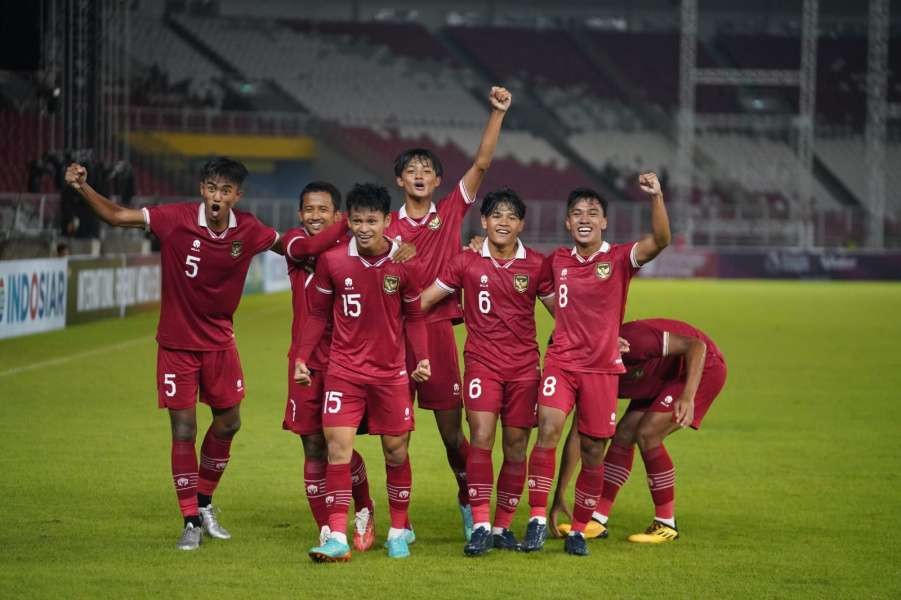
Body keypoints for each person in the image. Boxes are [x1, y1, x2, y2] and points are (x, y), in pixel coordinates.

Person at [64, 157, 283, 551]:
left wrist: (350, 235)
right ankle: (190, 521)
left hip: (220, 344)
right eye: (212, 188)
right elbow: (116, 216)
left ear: (237, 195)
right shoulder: (175, 218)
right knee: (183, 430)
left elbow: (294, 247)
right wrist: (81, 187)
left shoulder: (248, 229)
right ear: (203, 189)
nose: (218, 196)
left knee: (230, 423)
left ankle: (204, 503)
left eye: (226, 190)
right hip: (178, 346)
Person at [521, 173, 671, 556]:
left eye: (592, 212)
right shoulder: (556, 261)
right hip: (562, 363)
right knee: (549, 427)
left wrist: (656, 197)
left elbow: (661, 240)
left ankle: (579, 530)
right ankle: (537, 519)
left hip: (602, 371)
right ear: (567, 223)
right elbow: (523, 276)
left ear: (604, 222)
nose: (584, 218)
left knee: (592, 451)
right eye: (576, 213)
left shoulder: (619, 258)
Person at [386, 86, 511, 540]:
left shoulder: (451, 212)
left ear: (437, 181)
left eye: (427, 171)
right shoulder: (385, 227)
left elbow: (480, 164)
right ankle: (400, 522)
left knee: (450, 435)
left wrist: (496, 113)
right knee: (394, 438)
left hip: (436, 332)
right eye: (410, 171)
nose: (419, 176)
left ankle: (467, 500)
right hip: (395, 336)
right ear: (400, 181)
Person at [294, 183, 430, 562]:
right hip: (344, 371)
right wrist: (303, 358)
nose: (365, 227)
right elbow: (318, 314)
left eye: (372, 220)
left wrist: (422, 358)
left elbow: (415, 316)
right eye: (357, 220)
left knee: (395, 451)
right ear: (347, 221)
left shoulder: (403, 263)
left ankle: (399, 530)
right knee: (338, 450)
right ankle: (337, 534)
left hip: (390, 376)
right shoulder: (333, 261)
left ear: (388, 221)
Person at [420, 188, 554, 556]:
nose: (504, 222)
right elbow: (425, 298)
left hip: (525, 368)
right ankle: (480, 524)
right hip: (482, 363)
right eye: (497, 216)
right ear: (484, 221)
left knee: (515, 445)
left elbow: (563, 311)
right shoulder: (466, 261)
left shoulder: (537, 265)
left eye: (512, 216)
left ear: (521, 224)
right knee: (480, 436)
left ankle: (502, 526)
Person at [552, 318, 727, 543]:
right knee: (624, 434)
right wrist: (559, 494)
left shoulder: (631, 341)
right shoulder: (587, 372)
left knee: (648, 433)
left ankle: (666, 523)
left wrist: (687, 396)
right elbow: (579, 433)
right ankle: (597, 518)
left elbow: (696, 346)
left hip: (702, 367)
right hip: (661, 377)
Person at [281, 182, 377, 551]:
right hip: (305, 363)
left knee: (341, 444)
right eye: (309, 209)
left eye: (324, 209)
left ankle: (364, 508)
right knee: (312, 445)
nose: (315, 216)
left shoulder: (352, 248)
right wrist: (347, 223)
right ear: (300, 214)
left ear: (335, 214)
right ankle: (327, 529)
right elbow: (307, 248)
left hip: (345, 360)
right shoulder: (295, 243)